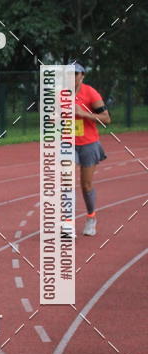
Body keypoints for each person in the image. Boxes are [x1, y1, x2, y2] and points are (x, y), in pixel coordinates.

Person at [73, 62, 110, 236]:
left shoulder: (90, 92)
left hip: (88, 143)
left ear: (82, 76)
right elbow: (52, 117)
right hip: (68, 144)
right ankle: (67, 223)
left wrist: (83, 113)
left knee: (85, 184)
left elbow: (106, 118)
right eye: (69, 74)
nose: (72, 77)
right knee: (66, 182)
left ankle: (91, 217)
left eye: (75, 74)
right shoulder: (59, 94)